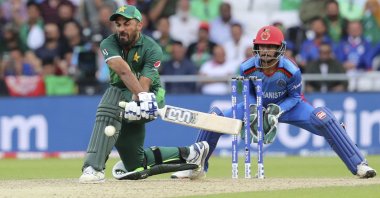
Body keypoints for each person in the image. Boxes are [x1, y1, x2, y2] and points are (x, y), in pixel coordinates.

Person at [171, 25, 377, 179]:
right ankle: (195, 167)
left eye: (271, 47)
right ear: (256, 47)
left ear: (280, 48)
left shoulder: (291, 70)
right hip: (257, 105)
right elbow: (248, 92)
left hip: (289, 107)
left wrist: (276, 110)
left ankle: (359, 164)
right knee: (214, 117)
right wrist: (255, 108)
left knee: (323, 116)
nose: (266, 51)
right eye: (262, 46)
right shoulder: (247, 67)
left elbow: (296, 97)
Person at [79, 5, 209, 183]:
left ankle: (93, 168)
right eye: (118, 25)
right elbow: (123, 71)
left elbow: (146, 83)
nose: (121, 29)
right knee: (135, 163)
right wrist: (140, 97)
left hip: (151, 98)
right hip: (132, 98)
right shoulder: (108, 43)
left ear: (139, 25)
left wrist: (143, 98)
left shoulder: (152, 48)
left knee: (112, 97)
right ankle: (191, 154)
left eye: (127, 24)